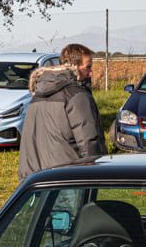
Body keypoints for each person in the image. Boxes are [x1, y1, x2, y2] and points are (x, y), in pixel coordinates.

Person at [17, 43, 106, 181]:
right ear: (74, 66)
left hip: (36, 177)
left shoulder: (37, 96)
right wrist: (96, 171)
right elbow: (88, 140)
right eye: (88, 67)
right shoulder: (76, 95)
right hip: (69, 176)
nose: (91, 73)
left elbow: (29, 141)